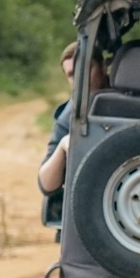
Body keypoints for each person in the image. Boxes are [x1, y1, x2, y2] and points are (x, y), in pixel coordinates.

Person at [39, 40, 108, 195]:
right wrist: (63, 145)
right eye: (72, 75)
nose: (79, 79)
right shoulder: (70, 115)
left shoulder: (132, 97)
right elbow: (46, 185)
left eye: (85, 69)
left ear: (103, 67)